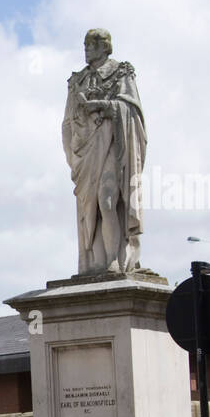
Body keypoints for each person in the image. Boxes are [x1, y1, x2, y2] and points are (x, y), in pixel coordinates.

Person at [62, 28, 147, 276]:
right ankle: (95, 261)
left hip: (113, 145)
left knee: (108, 200)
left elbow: (132, 110)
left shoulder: (120, 72)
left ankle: (115, 260)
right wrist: (72, 153)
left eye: (92, 44)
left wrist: (102, 105)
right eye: (85, 44)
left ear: (105, 46)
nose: (86, 48)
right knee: (92, 210)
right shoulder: (77, 80)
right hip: (85, 151)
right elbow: (67, 121)